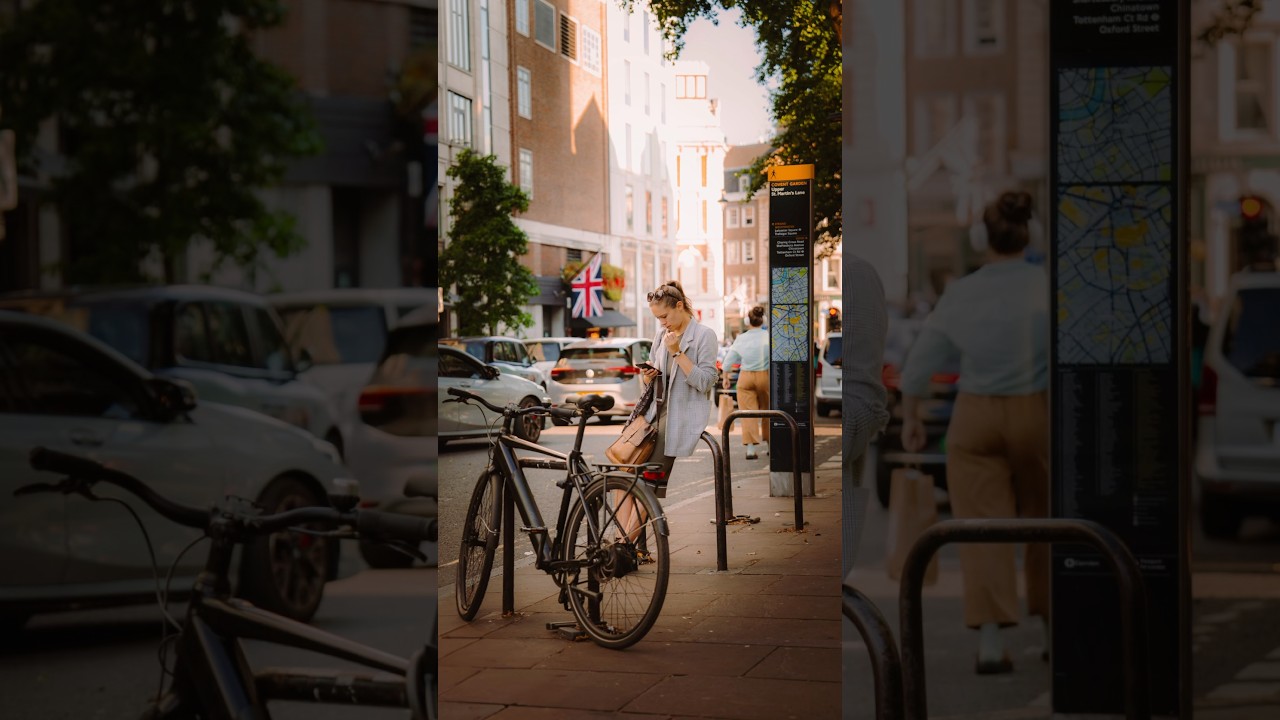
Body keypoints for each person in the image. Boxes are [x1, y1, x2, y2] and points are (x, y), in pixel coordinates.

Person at [899, 190, 1050, 675]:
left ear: (981, 237)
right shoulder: (1047, 285)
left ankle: (990, 641)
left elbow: (918, 369)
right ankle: (1052, 628)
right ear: (1032, 234)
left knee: (984, 528)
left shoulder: (963, 292)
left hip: (976, 415)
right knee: (1049, 524)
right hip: (1039, 412)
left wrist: (914, 418)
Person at [637, 280, 718, 496]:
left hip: (678, 417)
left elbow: (706, 382)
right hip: (653, 415)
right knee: (628, 477)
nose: (662, 323)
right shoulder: (660, 336)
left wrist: (676, 352)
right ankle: (622, 531)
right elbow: (649, 384)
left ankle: (629, 531)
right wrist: (649, 376)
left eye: (664, 316)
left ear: (679, 306)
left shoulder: (704, 335)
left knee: (645, 486)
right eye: (658, 319)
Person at [721, 305, 770, 459]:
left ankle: (750, 449)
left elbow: (728, 362)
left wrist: (726, 378)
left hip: (746, 377)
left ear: (748, 321)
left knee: (748, 412)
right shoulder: (769, 336)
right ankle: (771, 445)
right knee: (769, 411)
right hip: (765, 376)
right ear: (764, 320)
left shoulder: (742, 338)